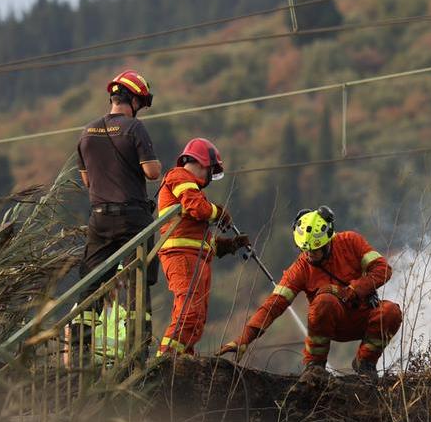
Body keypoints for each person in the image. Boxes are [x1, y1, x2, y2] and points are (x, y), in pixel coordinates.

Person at [218, 206, 401, 383]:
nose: (309, 255)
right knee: (325, 300)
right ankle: (315, 366)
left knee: (391, 311)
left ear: (328, 242)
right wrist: (244, 339)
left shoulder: (351, 242)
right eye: (304, 250)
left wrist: (354, 290)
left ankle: (365, 364)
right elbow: (273, 306)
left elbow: (382, 269)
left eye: (315, 250)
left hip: (361, 316)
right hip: (329, 322)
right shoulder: (300, 269)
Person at [74, 69, 161, 358]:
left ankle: (80, 348)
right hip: (132, 218)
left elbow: (87, 181)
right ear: (133, 100)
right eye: (141, 103)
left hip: (99, 219)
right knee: (139, 278)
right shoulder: (134, 129)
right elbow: (152, 172)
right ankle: (138, 348)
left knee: (91, 280)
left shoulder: (87, 132)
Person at [156, 137, 249, 356]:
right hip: (182, 257)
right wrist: (218, 212)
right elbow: (199, 209)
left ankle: (182, 359)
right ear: (201, 163)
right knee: (188, 312)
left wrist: (229, 245)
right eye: (211, 171)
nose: (209, 178)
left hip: (193, 258)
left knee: (196, 317)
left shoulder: (191, 189)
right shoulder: (179, 176)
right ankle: (166, 361)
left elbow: (197, 236)